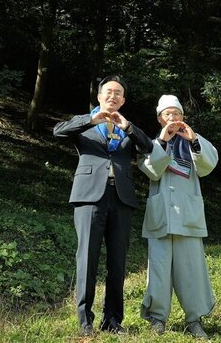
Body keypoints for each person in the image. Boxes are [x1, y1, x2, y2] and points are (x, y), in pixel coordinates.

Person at [53, 76, 164, 336]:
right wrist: (92, 120)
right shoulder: (86, 124)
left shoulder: (126, 127)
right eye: (109, 92)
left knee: (117, 262)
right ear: (100, 96)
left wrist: (127, 127)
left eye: (118, 93)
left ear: (123, 100)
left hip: (121, 199)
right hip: (89, 198)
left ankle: (112, 321)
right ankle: (85, 321)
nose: (113, 96)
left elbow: (148, 146)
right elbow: (58, 130)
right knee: (87, 259)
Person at [139, 95, 219, 339]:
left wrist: (192, 139)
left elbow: (208, 165)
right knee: (159, 271)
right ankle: (157, 318)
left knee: (191, 269)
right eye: (167, 115)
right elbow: (151, 170)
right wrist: (163, 141)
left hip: (188, 216)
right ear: (159, 119)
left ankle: (194, 319)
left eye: (177, 114)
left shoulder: (196, 141)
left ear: (183, 117)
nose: (172, 118)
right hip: (161, 216)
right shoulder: (153, 143)